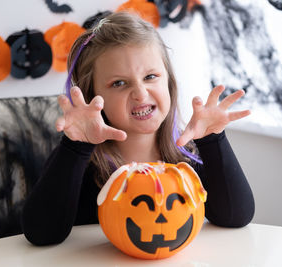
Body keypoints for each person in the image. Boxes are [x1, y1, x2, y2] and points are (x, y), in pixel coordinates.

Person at [21, 11, 255, 246]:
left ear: (169, 84)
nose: (140, 93)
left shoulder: (187, 159)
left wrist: (213, 140)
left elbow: (236, 217)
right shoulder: (80, 163)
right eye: (119, 83)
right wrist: (75, 147)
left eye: (151, 76)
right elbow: (41, 234)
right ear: (93, 96)